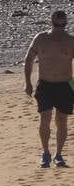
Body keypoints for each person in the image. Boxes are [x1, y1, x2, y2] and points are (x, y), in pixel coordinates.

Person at [24, 10, 74, 168]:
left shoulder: (71, 41)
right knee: (44, 119)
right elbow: (28, 59)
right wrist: (28, 83)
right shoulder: (41, 38)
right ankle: (45, 152)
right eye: (57, 25)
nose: (60, 28)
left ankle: (59, 154)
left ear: (66, 25)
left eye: (63, 25)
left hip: (65, 85)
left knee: (61, 121)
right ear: (50, 23)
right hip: (45, 84)